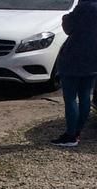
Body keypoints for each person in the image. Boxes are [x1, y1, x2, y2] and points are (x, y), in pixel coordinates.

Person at [51, 0, 97, 148]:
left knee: (70, 98)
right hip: (93, 58)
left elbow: (68, 27)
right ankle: (77, 132)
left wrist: (66, 17)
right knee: (85, 97)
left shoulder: (84, 7)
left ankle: (70, 135)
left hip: (74, 58)